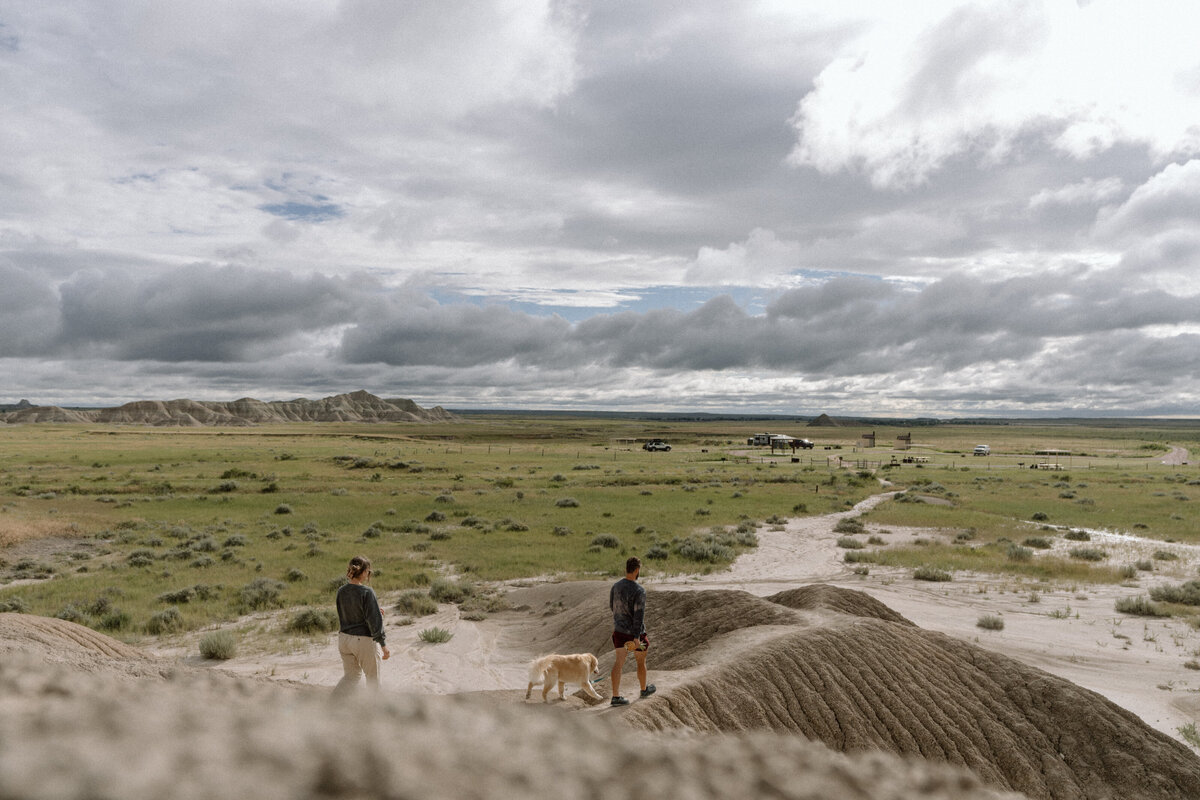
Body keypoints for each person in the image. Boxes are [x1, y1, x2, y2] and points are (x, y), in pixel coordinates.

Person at [333, 555, 390, 694]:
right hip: (363, 641)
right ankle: (373, 713)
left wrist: (376, 612)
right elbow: (374, 622)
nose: (368, 574)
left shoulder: (341, 591)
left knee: (351, 677)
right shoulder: (367, 592)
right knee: (373, 680)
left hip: (344, 639)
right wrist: (383, 646)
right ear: (364, 572)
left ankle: (333, 705)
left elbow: (349, 613)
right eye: (368, 571)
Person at [609, 556, 654, 706]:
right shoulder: (639, 590)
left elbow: (612, 606)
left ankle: (615, 697)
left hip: (619, 631)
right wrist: (636, 637)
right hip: (634, 634)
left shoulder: (615, 586)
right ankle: (643, 689)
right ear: (636, 570)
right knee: (641, 661)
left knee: (619, 663)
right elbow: (638, 615)